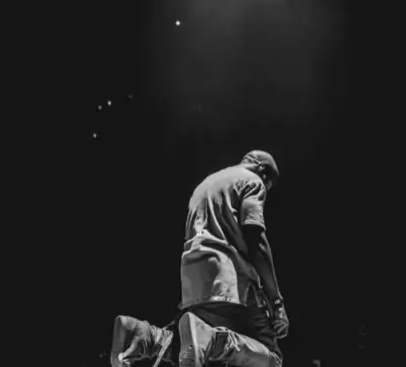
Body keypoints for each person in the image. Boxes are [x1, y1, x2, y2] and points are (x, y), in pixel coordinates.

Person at [110, 150, 289, 367]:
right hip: (229, 273)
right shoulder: (251, 180)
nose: (266, 188)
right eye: (269, 184)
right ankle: (217, 341)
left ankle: (143, 335)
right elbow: (255, 237)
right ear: (263, 170)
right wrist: (276, 301)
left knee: (193, 341)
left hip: (194, 274)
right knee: (271, 356)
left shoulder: (207, 184)